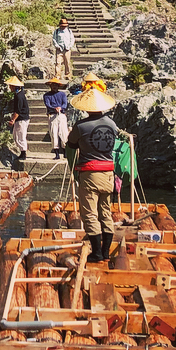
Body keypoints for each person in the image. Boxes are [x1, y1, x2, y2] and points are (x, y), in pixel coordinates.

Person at [67, 84, 120, 263]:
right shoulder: (112, 124)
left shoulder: (81, 126)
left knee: (89, 213)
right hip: (108, 173)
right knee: (105, 211)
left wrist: (72, 167)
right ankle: (106, 253)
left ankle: (96, 253)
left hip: (90, 173)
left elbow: (71, 146)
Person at [43, 77, 68, 160]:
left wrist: (60, 108)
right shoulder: (46, 95)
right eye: (53, 85)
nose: (54, 86)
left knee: (63, 133)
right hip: (52, 114)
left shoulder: (62, 94)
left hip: (61, 114)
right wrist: (55, 108)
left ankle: (65, 152)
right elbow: (47, 104)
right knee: (54, 134)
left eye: (56, 85)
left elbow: (65, 103)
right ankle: (57, 154)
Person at [7, 75, 30, 163]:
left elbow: (18, 110)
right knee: (16, 136)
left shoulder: (19, 96)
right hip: (20, 119)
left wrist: (13, 120)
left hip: (22, 119)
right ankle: (22, 151)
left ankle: (23, 152)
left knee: (21, 136)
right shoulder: (19, 94)